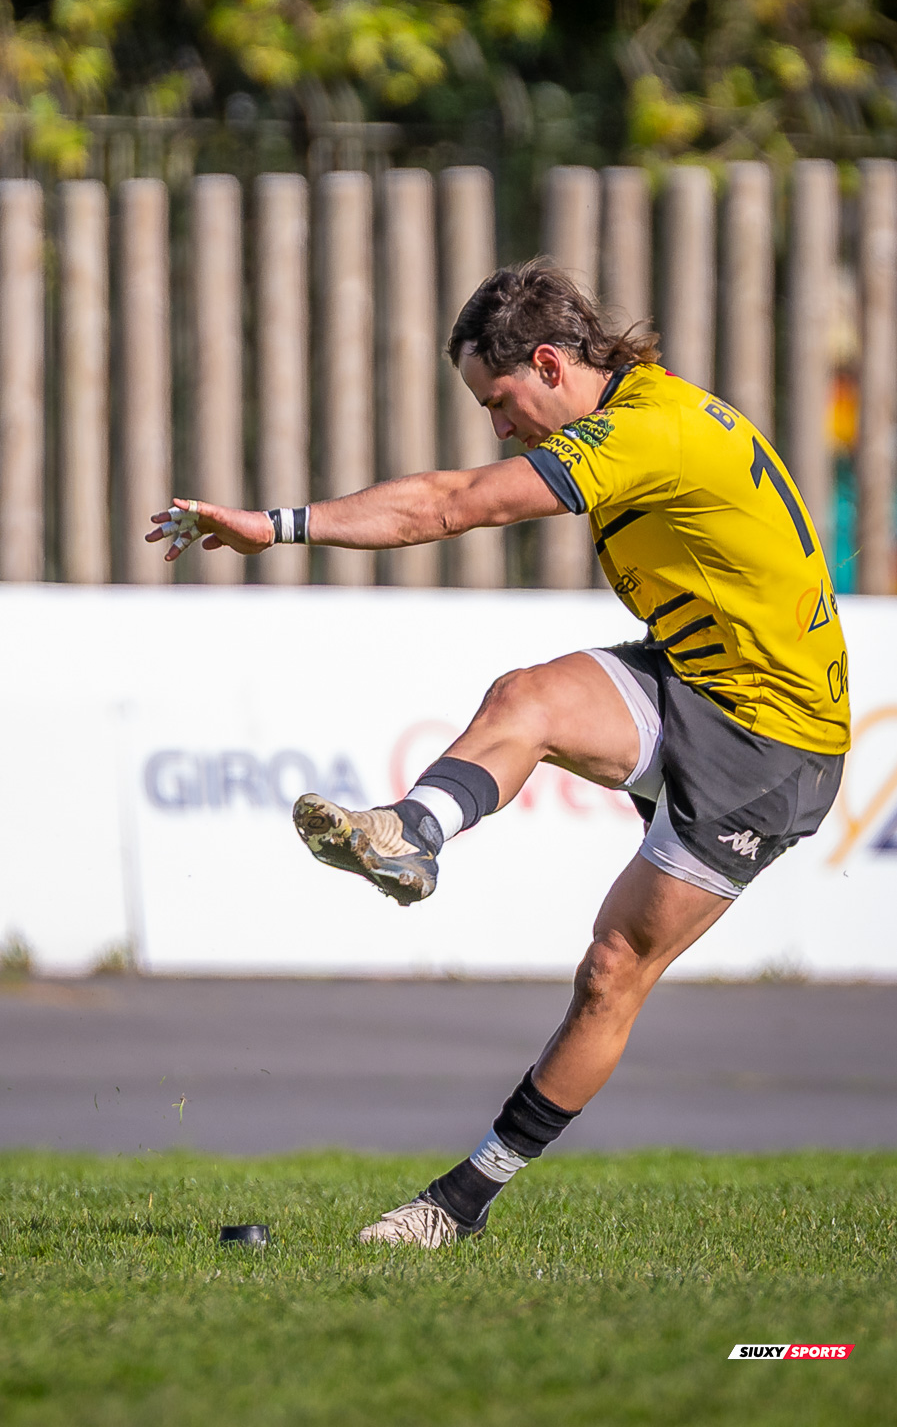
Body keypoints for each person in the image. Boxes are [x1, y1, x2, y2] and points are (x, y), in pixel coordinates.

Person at [146, 258, 850, 1248]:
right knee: (526, 697)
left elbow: (449, 502)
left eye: (500, 398)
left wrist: (277, 527)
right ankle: (413, 834)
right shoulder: (644, 409)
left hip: (771, 744)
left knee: (612, 971)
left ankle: (458, 1204)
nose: (498, 424)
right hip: (692, 680)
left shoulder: (641, 432)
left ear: (552, 364)